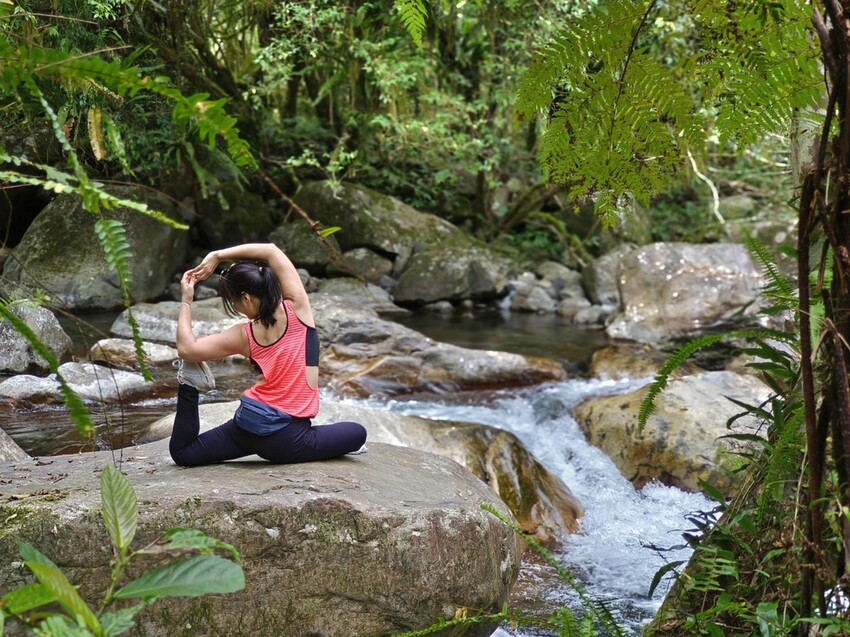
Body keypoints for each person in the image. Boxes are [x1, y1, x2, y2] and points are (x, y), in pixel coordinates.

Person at [169, 242, 367, 467]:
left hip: (246, 424)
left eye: (234, 303)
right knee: (357, 433)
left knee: (184, 452)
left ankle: (188, 385)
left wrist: (186, 300)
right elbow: (271, 251)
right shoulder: (299, 310)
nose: (237, 309)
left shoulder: (244, 335)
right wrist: (217, 255)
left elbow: (187, 349)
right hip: (287, 441)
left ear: (246, 298)